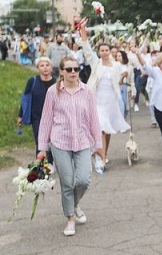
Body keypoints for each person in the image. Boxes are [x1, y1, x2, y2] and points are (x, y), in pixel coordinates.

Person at [36, 57, 103, 236]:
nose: (73, 72)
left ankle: (74, 204)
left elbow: (93, 119)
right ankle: (70, 218)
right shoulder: (53, 92)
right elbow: (46, 120)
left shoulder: (86, 91)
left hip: (82, 141)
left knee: (83, 180)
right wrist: (42, 147)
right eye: (69, 69)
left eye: (76, 69)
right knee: (67, 182)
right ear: (62, 72)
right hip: (60, 142)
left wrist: (98, 143)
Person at [80, 25, 130, 171]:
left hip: (111, 101)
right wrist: (83, 33)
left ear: (110, 52)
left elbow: (118, 83)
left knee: (107, 131)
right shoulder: (96, 63)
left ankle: (104, 154)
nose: (104, 52)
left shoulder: (116, 66)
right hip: (97, 100)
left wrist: (122, 77)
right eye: (102, 50)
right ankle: (100, 159)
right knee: (101, 128)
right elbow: (87, 50)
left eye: (107, 50)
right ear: (99, 52)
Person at [137, 49, 162, 168]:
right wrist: (138, 54)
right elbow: (145, 66)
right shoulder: (156, 72)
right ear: (159, 65)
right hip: (160, 108)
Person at [17, 57, 57, 163]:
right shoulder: (32, 81)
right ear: (38, 68)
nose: (45, 68)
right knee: (40, 141)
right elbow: (26, 99)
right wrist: (21, 115)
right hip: (37, 117)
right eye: (42, 66)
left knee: (52, 141)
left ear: (51, 68)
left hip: (54, 117)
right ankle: (40, 166)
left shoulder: (56, 82)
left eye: (47, 65)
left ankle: (50, 163)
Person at [115, 50, 135, 118]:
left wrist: (133, 90)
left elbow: (132, 81)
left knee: (126, 108)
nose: (118, 57)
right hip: (118, 87)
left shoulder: (129, 67)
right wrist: (122, 76)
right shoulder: (114, 67)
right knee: (121, 106)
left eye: (120, 56)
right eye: (117, 56)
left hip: (127, 87)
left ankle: (123, 120)